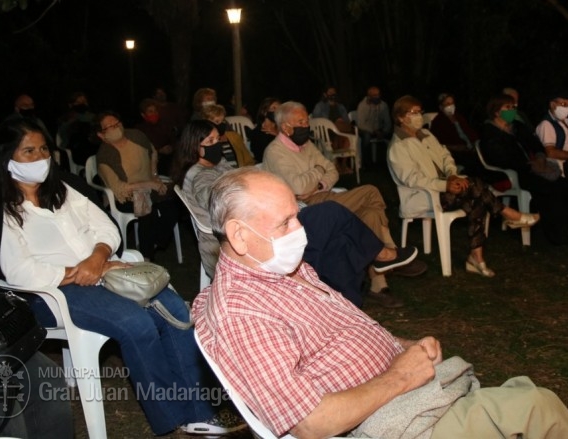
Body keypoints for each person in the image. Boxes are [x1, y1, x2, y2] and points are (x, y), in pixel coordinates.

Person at [193, 167, 568, 439]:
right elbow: (309, 423)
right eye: (286, 223)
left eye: (298, 217)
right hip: (394, 425)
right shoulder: (243, 313)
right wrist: (402, 375)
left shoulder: (280, 269)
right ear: (239, 236)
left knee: (527, 395)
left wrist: (402, 347)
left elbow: (345, 330)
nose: (300, 231)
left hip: (408, 398)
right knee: (537, 407)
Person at [0, 118, 243, 436]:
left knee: (172, 308)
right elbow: (18, 272)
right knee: (136, 323)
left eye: (43, 148)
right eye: (28, 151)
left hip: (102, 273)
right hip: (49, 293)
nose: (40, 157)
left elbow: (106, 227)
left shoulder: (61, 190)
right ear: (6, 158)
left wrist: (99, 259)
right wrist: (80, 272)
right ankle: (171, 414)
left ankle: (200, 409)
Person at [172, 121, 419, 307]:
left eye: (218, 139)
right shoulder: (200, 176)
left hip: (271, 225)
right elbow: (222, 201)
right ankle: (383, 253)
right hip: (262, 235)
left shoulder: (218, 165)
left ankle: (346, 308)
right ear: (196, 147)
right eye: (211, 142)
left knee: (340, 241)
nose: (218, 145)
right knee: (333, 213)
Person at [263, 102, 426, 297]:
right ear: (285, 127)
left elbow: (332, 169)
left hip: (324, 195)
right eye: (301, 121)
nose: (306, 125)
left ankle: (379, 280)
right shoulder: (275, 151)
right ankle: (389, 252)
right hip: (306, 209)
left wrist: (320, 183)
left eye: (307, 121)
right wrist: (318, 170)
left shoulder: (306, 145)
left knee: (371, 211)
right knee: (371, 192)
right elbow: (299, 187)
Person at [389, 96, 539, 277]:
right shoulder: (398, 146)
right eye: (413, 113)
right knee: (476, 188)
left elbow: (445, 156)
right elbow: (413, 180)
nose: (419, 116)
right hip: (422, 196)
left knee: (477, 197)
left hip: (444, 189)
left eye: (420, 112)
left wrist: (452, 174)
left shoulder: (426, 135)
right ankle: (507, 214)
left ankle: (476, 258)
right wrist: (445, 185)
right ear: (400, 117)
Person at [479, 94, 568, 246]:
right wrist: (528, 164)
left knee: (564, 185)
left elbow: (535, 144)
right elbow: (497, 158)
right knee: (549, 188)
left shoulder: (517, 127)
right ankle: (558, 234)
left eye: (513, 107)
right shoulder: (489, 132)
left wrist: (540, 157)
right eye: (507, 108)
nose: (512, 111)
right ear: (496, 111)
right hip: (514, 172)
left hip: (533, 167)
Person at [94, 110, 180, 261]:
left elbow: (152, 152)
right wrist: (149, 184)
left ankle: (156, 242)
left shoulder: (136, 136)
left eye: (117, 123)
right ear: (101, 134)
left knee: (174, 203)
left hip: (150, 185)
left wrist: (154, 176)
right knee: (147, 208)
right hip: (126, 196)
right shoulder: (104, 156)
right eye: (110, 127)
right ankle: (147, 257)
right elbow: (120, 188)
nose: (116, 128)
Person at [428, 93, 487, 178]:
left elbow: (470, 133)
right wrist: (455, 147)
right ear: (441, 107)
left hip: (470, 149)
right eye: (447, 104)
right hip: (456, 153)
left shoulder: (459, 117)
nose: (451, 106)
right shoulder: (438, 122)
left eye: (452, 103)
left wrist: (474, 143)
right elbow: (437, 144)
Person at [312, 85, 354, 174]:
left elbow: (347, 120)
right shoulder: (320, 106)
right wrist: (332, 122)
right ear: (325, 94)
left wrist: (341, 121)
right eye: (330, 93)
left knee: (347, 138)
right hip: (326, 131)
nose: (332, 95)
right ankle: (336, 165)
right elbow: (316, 119)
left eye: (334, 93)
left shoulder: (340, 106)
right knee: (334, 137)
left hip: (340, 131)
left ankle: (343, 164)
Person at [201, 103, 255, 168]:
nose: (221, 124)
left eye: (223, 120)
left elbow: (248, 160)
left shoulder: (234, 136)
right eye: (217, 121)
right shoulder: (205, 142)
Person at [535, 92, 568, 170]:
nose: (567, 108)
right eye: (563, 104)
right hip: (564, 168)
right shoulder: (546, 124)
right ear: (552, 104)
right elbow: (551, 153)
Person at [135, 98, 178, 176]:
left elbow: (175, 140)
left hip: (169, 161)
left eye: (155, 111)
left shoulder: (165, 124)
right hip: (151, 164)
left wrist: (171, 147)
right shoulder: (139, 130)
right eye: (150, 111)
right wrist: (159, 151)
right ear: (143, 115)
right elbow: (141, 150)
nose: (154, 114)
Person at [55, 91, 97, 168]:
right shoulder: (66, 118)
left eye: (84, 102)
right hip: (74, 148)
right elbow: (63, 135)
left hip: (91, 145)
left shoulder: (93, 117)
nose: (82, 104)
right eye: (78, 102)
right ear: (71, 104)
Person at [355, 86, 392, 163]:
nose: (377, 97)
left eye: (378, 95)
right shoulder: (363, 105)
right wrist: (374, 131)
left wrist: (384, 131)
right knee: (366, 136)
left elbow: (387, 122)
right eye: (374, 95)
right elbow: (360, 124)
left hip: (379, 129)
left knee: (392, 134)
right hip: (366, 129)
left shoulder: (383, 105)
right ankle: (367, 163)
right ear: (369, 96)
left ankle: (388, 161)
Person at [249, 96, 280, 163]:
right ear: (265, 112)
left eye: (279, 108)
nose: (277, 111)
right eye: (274, 108)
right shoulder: (258, 133)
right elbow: (260, 156)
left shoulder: (281, 128)